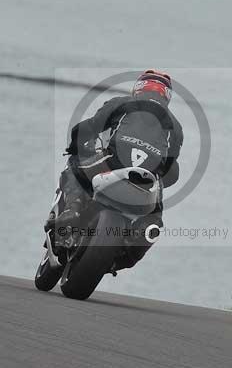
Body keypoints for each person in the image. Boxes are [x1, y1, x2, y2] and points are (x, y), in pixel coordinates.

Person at [45, 69, 183, 269]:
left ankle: (72, 209)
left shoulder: (122, 103)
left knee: (74, 167)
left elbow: (89, 127)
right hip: (147, 180)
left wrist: (75, 146)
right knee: (154, 222)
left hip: (112, 162)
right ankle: (129, 252)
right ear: (167, 95)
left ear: (138, 88)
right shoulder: (176, 127)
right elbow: (171, 168)